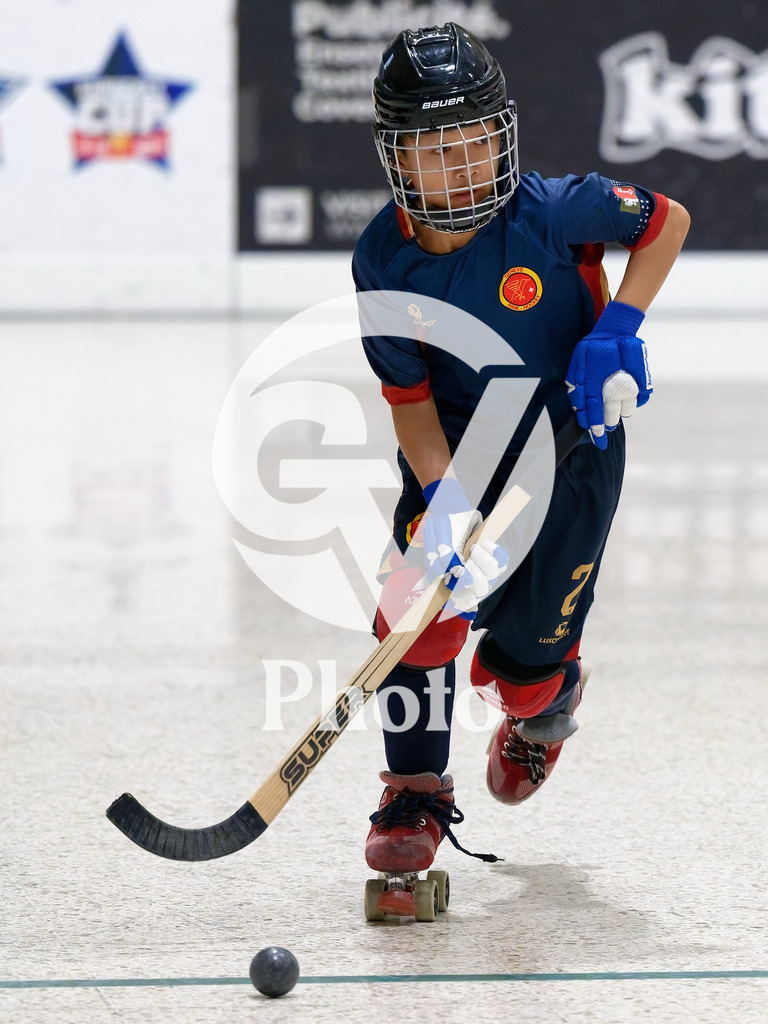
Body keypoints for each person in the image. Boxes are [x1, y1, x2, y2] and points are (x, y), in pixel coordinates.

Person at [352, 23, 690, 880]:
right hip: (464, 452)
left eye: (475, 142)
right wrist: (442, 498)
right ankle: (414, 794)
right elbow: (411, 402)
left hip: (575, 448)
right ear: (397, 160)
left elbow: (665, 221)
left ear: (502, 137)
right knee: (415, 618)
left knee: (522, 669)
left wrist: (619, 325)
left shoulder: (550, 210)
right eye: (436, 150)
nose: (462, 168)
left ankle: (548, 701)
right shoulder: (381, 262)